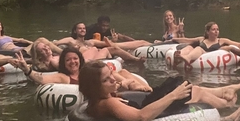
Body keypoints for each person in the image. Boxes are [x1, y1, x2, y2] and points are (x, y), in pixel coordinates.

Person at [79, 61, 240, 121]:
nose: (113, 80)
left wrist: (131, 87)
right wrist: (173, 96)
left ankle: (226, 94)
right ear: (94, 87)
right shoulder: (108, 103)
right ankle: (228, 106)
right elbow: (141, 118)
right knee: (191, 91)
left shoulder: (107, 98)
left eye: (111, 76)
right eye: (106, 80)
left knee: (186, 86)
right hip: (152, 112)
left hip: (147, 103)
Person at [16, 47, 150, 92]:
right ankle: (134, 86)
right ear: (63, 63)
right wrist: (27, 70)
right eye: (68, 60)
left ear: (80, 59)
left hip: (114, 86)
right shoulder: (63, 77)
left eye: (75, 58)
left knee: (122, 72)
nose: (72, 62)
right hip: (108, 92)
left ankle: (144, 89)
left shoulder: (87, 71)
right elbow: (42, 79)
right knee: (117, 75)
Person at [55, 22, 149, 63]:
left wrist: (113, 40)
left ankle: (135, 59)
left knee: (113, 48)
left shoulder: (90, 42)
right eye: (80, 28)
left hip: (97, 56)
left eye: (84, 28)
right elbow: (55, 43)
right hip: (85, 59)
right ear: (75, 31)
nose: (82, 30)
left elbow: (107, 44)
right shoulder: (70, 40)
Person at [172, 22, 240, 65]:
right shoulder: (202, 39)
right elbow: (187, 40)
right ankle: (180, 56)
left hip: (213, 57)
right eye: (213, 29)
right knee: (191, 47)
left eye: (217, 29)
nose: (216, 32)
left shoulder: (222, 41)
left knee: (199, 48)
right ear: (208, 32)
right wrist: (173, 39)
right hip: (200, 56)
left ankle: (187, 58)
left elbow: (238, 45)